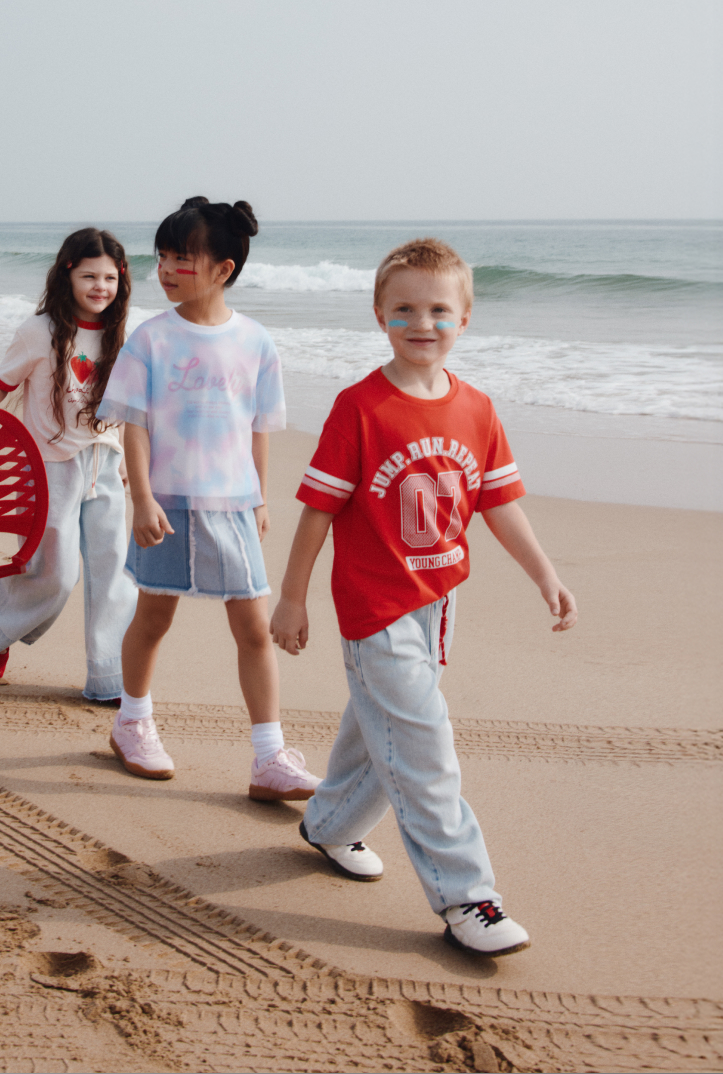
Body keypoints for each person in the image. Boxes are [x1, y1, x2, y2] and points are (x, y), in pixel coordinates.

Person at [270, 238, 578, 956]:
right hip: (374, 610)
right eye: (404, 309)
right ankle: (467, 896)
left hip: (438, 603)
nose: (422, 323)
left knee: (381, 727)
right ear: (380, 315)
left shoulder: (477, 408)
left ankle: (330, 825)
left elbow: (499, 504)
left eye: (439, 310)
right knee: (424, 748)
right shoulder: (359, 408)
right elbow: (318, 511)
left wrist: (545, 574)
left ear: (464, 319)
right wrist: (293, 598)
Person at [96, 196, 321, 800]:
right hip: (167, 503)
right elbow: (135, 426)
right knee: (153, 617)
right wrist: (142, 499)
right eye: (162, 257)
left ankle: (269, 757)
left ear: (223, 268)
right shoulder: (151, 338)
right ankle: (131, 723)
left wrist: (260, 498)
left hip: (232, 506)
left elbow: (257, 428)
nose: (167, 270)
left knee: (253, 628)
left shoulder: (255, 342)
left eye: (182, 258)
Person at [0, 227, 137, 703]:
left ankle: (108, 678)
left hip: (105, 462)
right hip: (48, 467)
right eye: (89, 276)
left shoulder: (120, 334)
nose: (100, 287)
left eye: (109, 278)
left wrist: (125, 457)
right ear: (67, 274)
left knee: (112, 573)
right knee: (55, 574)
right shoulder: (38, 331)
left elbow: (121, 407)